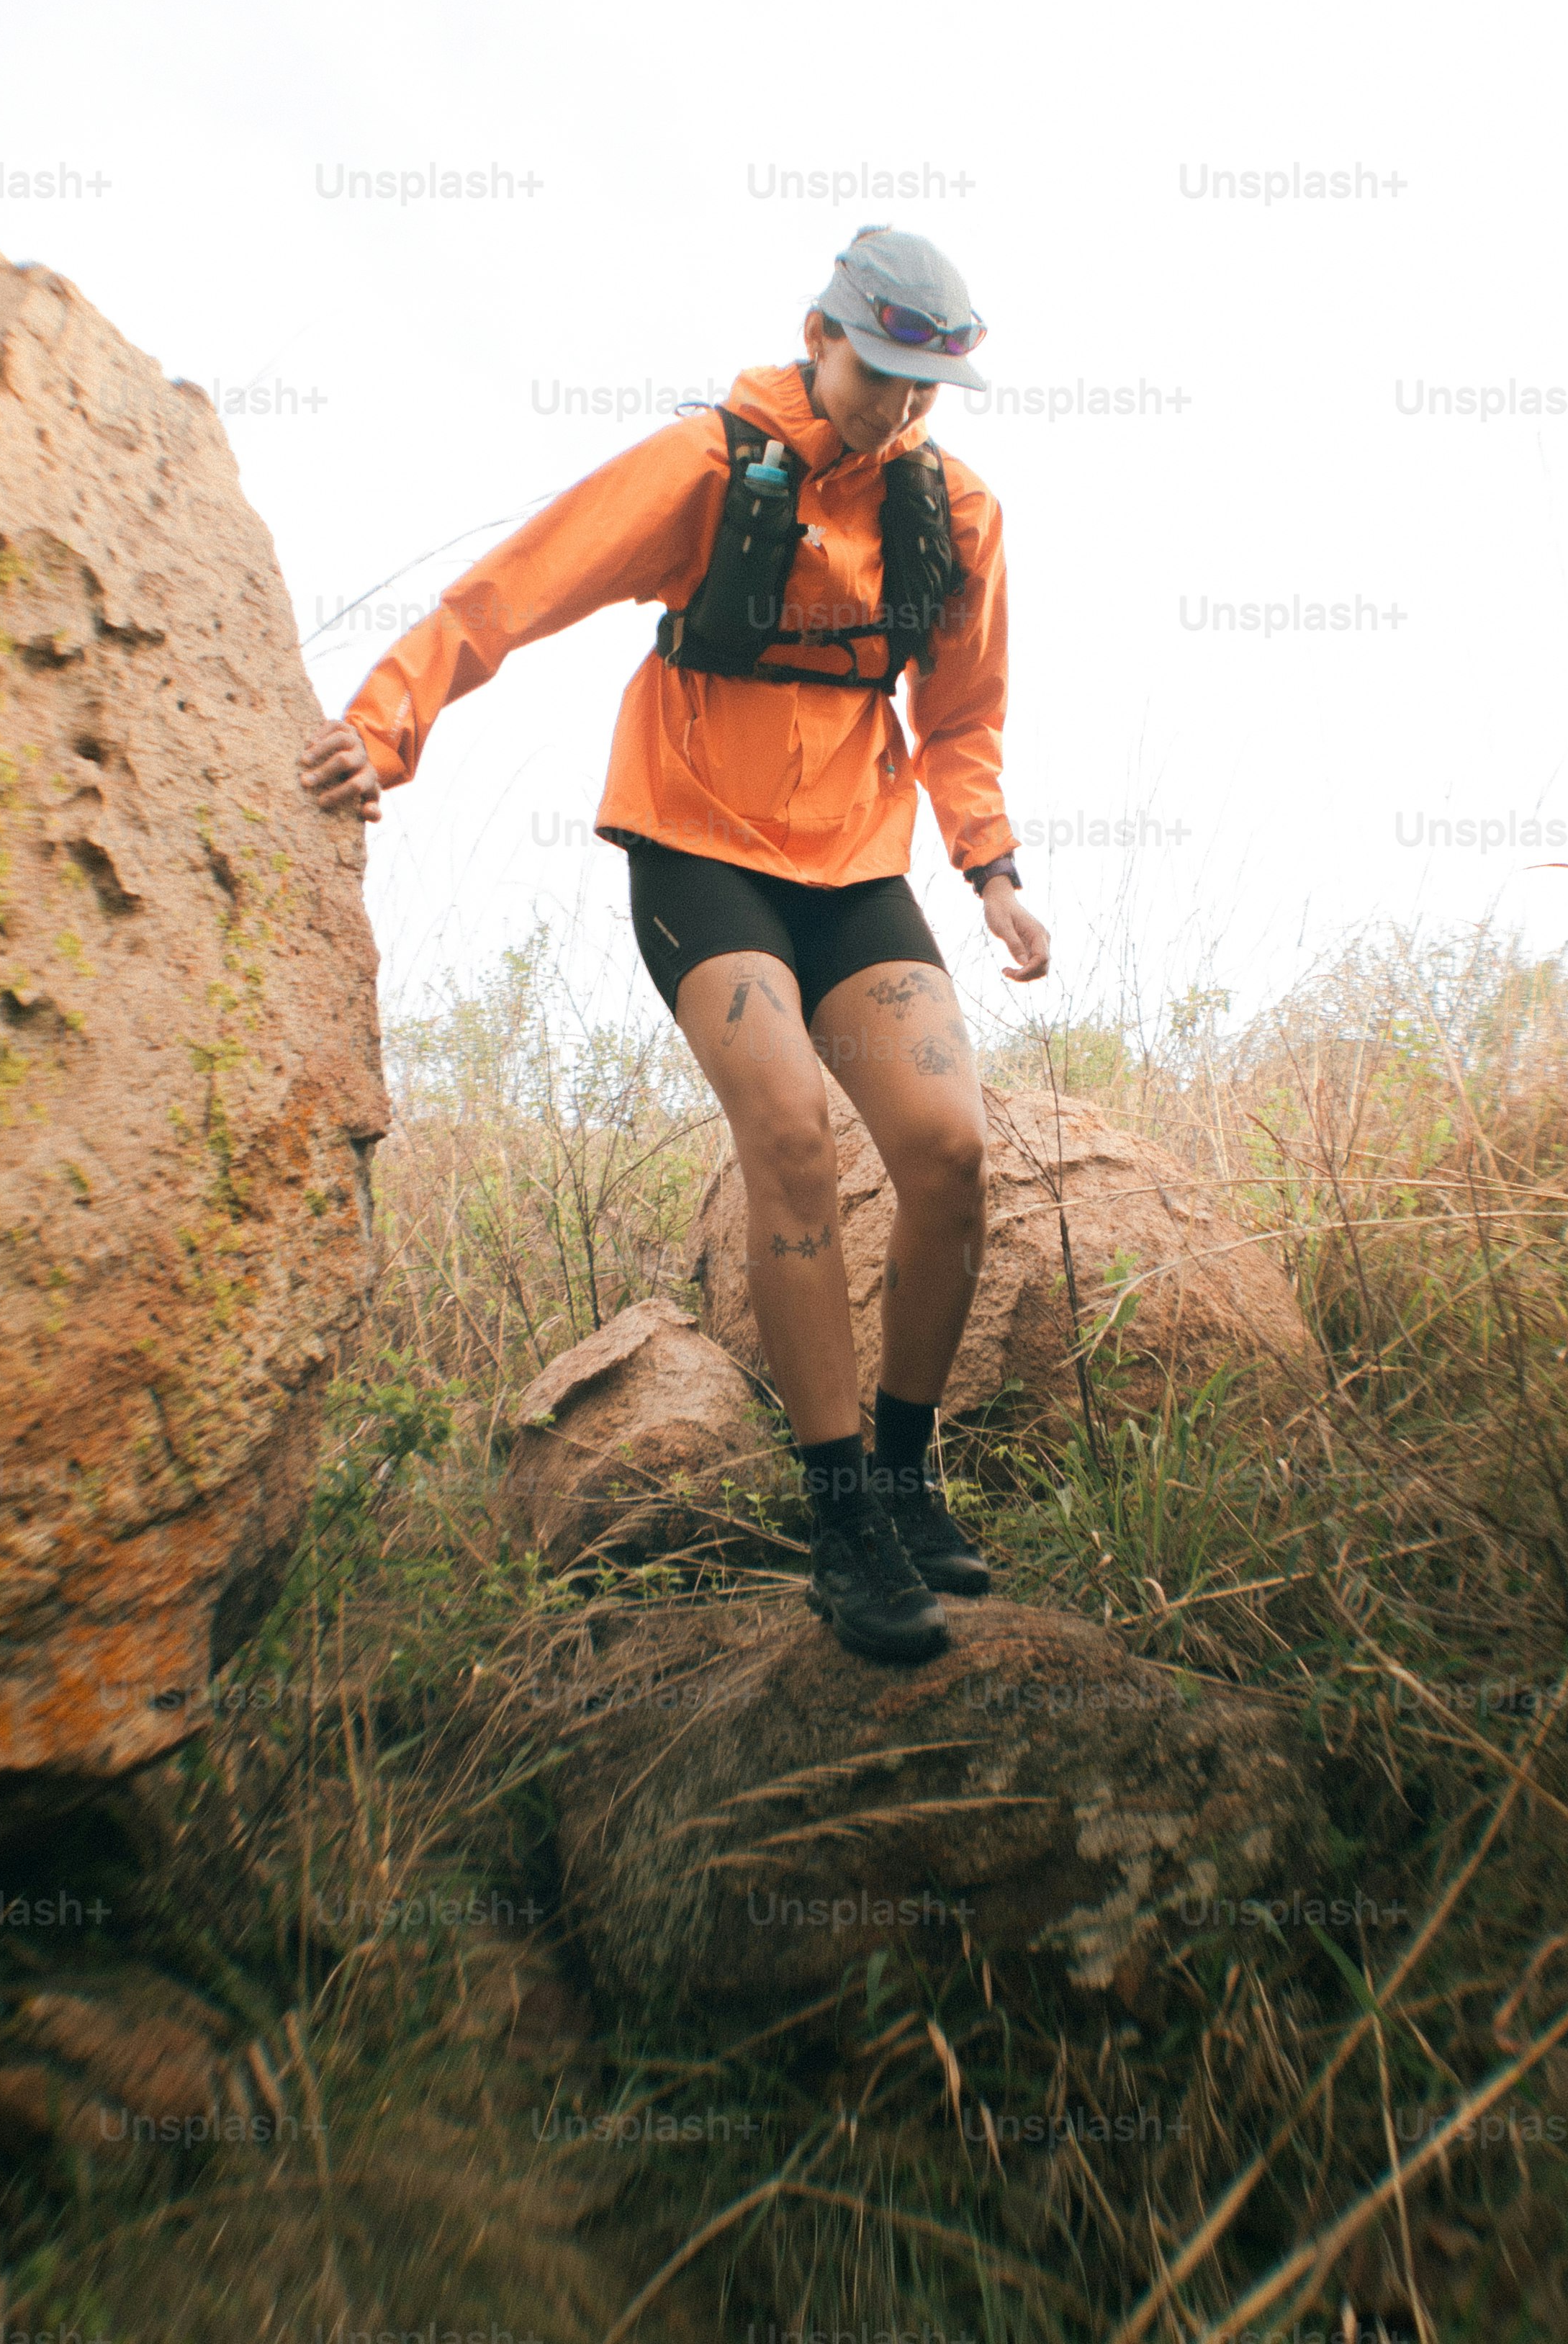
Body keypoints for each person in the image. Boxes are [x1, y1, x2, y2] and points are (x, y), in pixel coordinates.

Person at [297, 227, 1045, 1663]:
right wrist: (387, 725)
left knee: (949, 1148)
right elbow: (519, 583)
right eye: (877, 373)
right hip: (699, 848)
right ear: (817, 335)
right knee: (789, 1127)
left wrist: (993, 870)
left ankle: (902, 1471)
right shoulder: (710, 466)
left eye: (924, 390)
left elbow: (961, 718)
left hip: (855, 863)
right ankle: (841, 1527)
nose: (895, 409)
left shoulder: (961, 515)